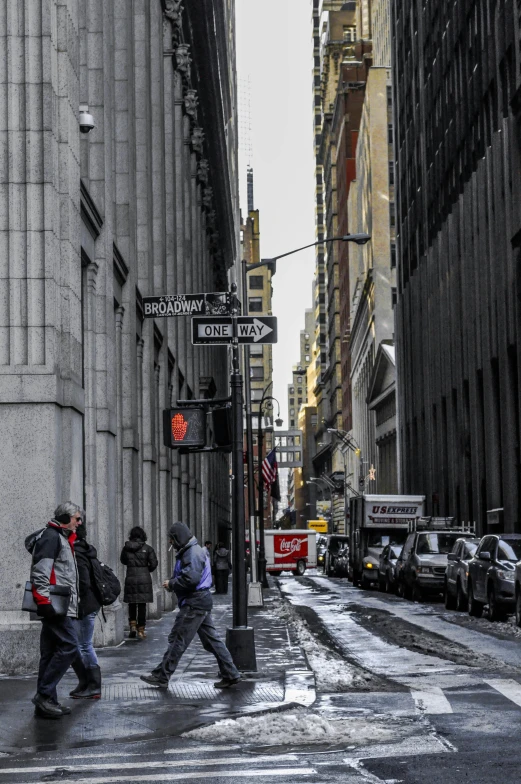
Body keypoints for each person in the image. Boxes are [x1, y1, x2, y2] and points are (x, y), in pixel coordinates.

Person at [140, 522, 241, 689]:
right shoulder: (193, 551)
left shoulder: (192, 553)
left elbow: (191, 579)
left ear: (178, 538)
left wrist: (172, 583)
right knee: (212, 641)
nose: (170, 543)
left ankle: (162, 675)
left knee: (178, 639)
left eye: (171, 539)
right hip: (200, 601)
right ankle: (231, 674)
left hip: (194, 602)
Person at [25, 502, 87, 719]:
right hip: (53, 606)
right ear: (64, 517)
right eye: (76, 518)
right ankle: (43, 695)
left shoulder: (61, 538)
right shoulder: (52, 537)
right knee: (70, 646)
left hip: (56, 605)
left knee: (50, 652)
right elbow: (41, 572)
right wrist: (44, 602)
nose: (79, 522)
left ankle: (47, 700)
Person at [69, 519, 102, 699]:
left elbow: (83, 582)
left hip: (85, 605)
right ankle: (86, 683)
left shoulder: (78, 553)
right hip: (90, 604)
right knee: (79, 645)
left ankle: (94, 686)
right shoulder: (86, 549)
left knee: (84, 645)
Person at [120, 527, 158, 640]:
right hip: (144, 579)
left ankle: (132, 625)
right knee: (142, 604)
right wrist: (146, 570)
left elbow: (123, 560)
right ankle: (141, 630)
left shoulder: (126, 548)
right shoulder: (148, 548)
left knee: (132, 602)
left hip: (131, 577)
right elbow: (154, 563)